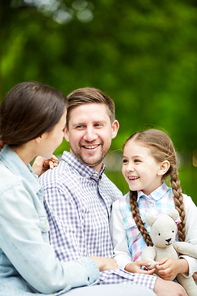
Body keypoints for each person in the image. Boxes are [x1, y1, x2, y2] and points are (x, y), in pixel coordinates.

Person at [39, 87, 187, 296]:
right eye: (80, 126)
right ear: (65, 132)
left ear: (113, 129)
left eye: (98, 125)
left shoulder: (112, 191)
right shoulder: (57, 185)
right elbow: (68, 270)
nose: (90, 136)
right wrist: (150, 285)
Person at [0, 81, 129, 296]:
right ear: (41, 134)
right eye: (63, 128)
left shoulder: (21, 181)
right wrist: (96, 264)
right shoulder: (15, 188)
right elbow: (50, 278)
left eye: (98, 125)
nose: (88, 135)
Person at [110, 129, 197, 281]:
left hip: (179, 286)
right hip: (138, 285)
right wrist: (129, 266)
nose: (128, 167)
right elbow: (120, 253)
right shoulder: (120, 207)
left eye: (137, 161)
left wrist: (181, 265)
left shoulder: (184, 203)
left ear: (162, 167)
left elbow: (194, 246)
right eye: (125, 160)